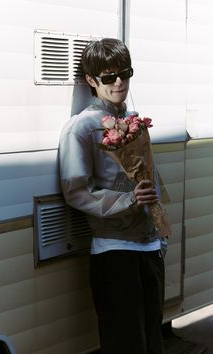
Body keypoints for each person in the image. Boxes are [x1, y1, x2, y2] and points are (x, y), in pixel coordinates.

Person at [58, 38, 167, 354]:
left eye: (125, 73)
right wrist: (129, 200)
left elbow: (150, 180)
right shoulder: (80, 128)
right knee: (125, 343)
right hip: (113, 249)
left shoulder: (134, 121)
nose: (119, 82)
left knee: (153, 341)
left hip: (149, 245)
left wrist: (160, 232)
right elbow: (76, 190)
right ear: (91, 80)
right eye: (108, 76)